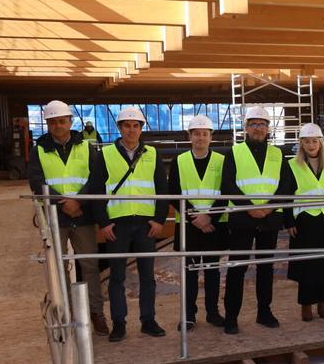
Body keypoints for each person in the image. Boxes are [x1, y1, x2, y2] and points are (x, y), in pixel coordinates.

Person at [28, 99, 108, 335]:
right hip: (56, 216)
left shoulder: (86, 147)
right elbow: (36, 182)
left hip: (82, 215)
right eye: (52, 122)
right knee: (58, 267)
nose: (58, 126)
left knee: (90, 265)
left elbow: (96, 178)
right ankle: (67, 314)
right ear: (47, 124)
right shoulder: (39, 150)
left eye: (62, 121)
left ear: (70, 122)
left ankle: (96, 313)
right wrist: (64, 204)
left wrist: (78, 201)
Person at [89, 107, 167, 341]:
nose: (131, 130)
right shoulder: (106, 154)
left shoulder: (152, 153)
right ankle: (119, 323)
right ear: (120, 128)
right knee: (117, 277)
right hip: (118, 225)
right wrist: (103, 222)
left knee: (147, 276)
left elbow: (162, 189)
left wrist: (159, 219)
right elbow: (96, 189)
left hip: (145, 223)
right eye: (127, 125)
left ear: (141, 129)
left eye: (136, 126)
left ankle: (148, 320)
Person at [219, 106, 292, 334]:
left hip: (269, 220)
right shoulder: (234, 152)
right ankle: (231, 317)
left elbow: (287, 185)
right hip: (242, 219)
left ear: (268, 128)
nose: (258, 128)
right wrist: (251, 209)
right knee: (237, 268)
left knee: (265, 268)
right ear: (246, 128)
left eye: (262, 124)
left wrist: (268, 208)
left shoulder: (278, 154)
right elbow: (227, 185)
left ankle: (264, 311)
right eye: (253, 124)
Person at [167, 114, 227, 331]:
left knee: (212, 271)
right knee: (190, 272)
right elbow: (173, 192)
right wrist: (196, 217)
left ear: (211, 136)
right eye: (196, 134)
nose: (200, 137)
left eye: (205, 134)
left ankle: (213, 312)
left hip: (214, 224)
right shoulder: (179, 161)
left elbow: (226, 191)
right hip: (189, 225)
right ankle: (189, 315)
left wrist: (209, 217)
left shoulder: (221, 161)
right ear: (189, 136)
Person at [285, 123, 324, 322]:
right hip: (304, 221)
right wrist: (288, 221)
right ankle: (306, 305)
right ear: (301, 144)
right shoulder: (292, 166)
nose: (311, 145)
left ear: (320, 143)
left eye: (314, 141)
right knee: (307, 264)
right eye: (307, 142)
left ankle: (323, 301)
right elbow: (286, 196)